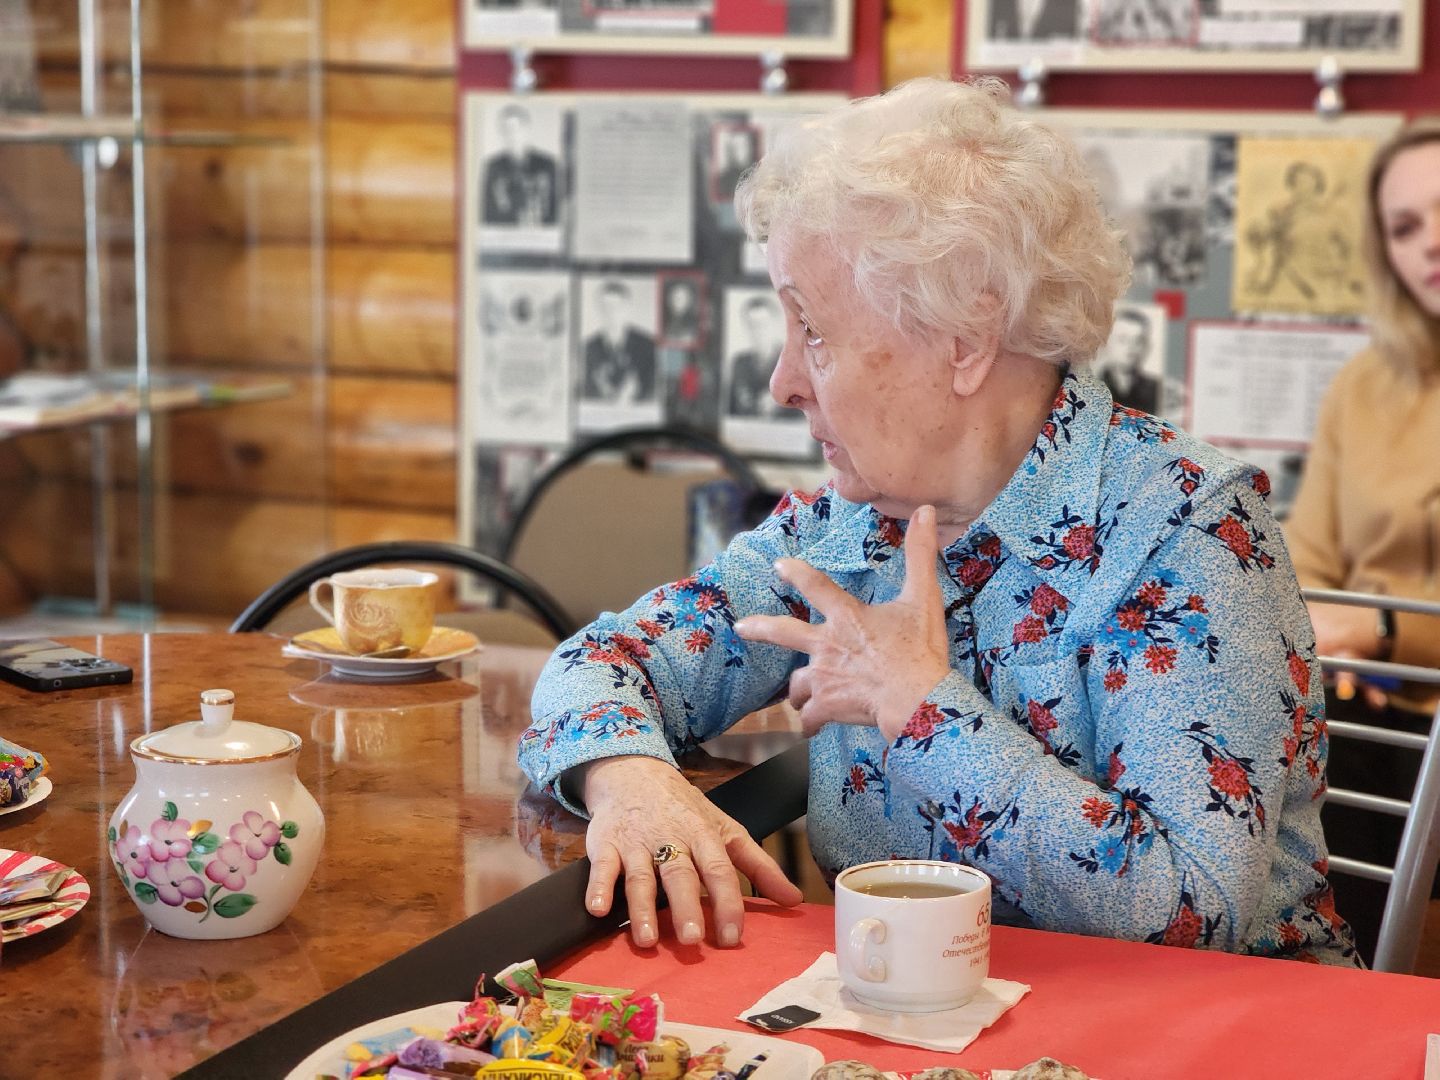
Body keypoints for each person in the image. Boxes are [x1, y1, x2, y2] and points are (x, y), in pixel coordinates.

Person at [519, 78, 1358, 966]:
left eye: (813, 328)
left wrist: (918, 706)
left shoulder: (1186, 527)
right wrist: (628, 779)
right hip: (915, 1002)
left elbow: (1194, 912)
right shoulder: (851, 521)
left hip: (1200, 1018)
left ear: (964, 339)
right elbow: (605, 661)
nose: (783, 382)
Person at [1284, 118, 1440, 962]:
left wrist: (1382, 633)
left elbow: (1367, 618)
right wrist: (1333, 644)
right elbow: (1310, 559)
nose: (1430, 243)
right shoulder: (1365, 383)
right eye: (1404, 228)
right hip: (1364, 712)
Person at [482, 104, 559, 227]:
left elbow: (556, 210)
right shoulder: (493, 166)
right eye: (506, 130)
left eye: (516, 129)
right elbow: (486, 213)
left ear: (527, 129)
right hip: (504, 233)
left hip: (542, 233)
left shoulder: (548, 164)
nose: (511, 135)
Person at [581, 281, 656, 404]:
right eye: (604, 307)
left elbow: (654, 392)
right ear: (598, 310)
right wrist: (603, 393)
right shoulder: (588, 347)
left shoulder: (648, 345)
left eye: (616, 307)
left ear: (627, 309)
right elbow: (584, 393)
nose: (610, 313)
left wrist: (634, 396)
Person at [726, 297, 794, 419]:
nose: (757, 331)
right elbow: (730, 410)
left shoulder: (792, 359)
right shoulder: (740, 363)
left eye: (762, 324)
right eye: (751, 325)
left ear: (774, 325)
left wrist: (781, 402)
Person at [1095, 307, 1160, 413]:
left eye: (1138, 341)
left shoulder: (1156, 389)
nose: (1131, 347)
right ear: (1106, 344)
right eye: (1123, 339)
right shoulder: (1091, 387)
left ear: (1146, 346)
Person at [660, 278, 702, 344]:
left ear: (687, 302)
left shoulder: (692, 327)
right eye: (674, 297)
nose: (677, 301)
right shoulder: (665, 322)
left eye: (681, 299)